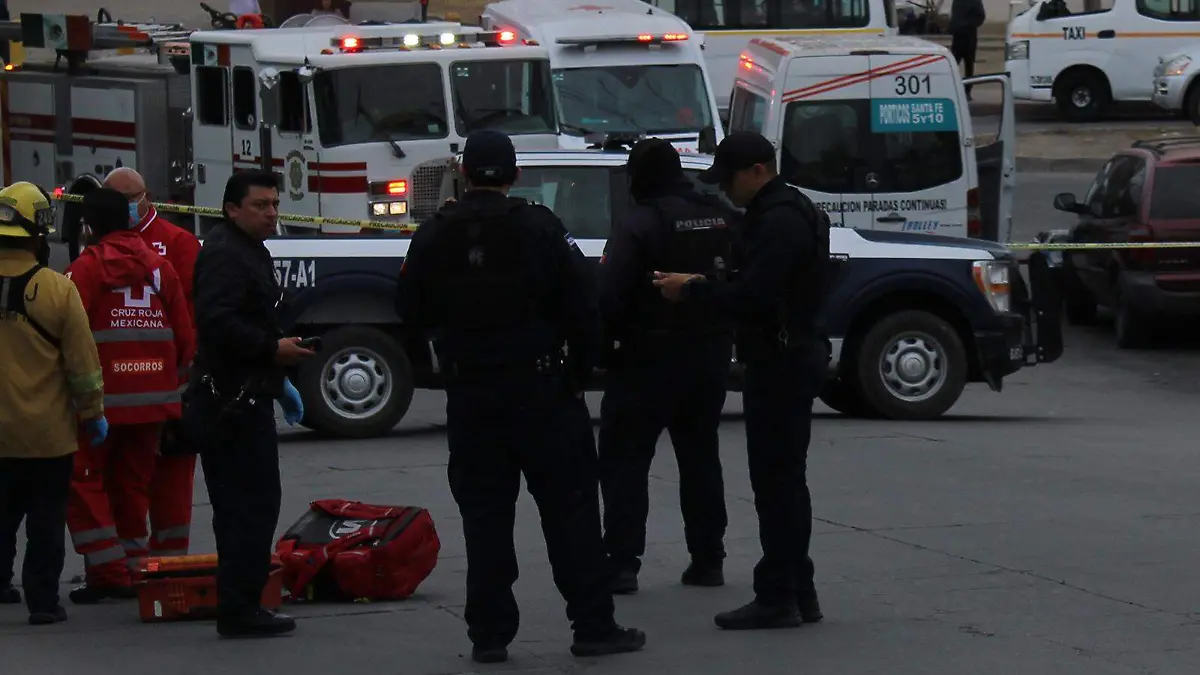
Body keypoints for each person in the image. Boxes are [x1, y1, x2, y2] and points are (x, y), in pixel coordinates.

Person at [395, 129, 645, 663]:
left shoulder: (435, 234)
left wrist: (446, 363)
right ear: (515, 175)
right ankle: (592, 625)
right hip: (542, 392)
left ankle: (489, 635)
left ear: (463, 174)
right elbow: (584, 305)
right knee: (571, 514)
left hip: (473, 395)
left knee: (485, 518)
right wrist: (578, 374)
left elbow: (409, 310)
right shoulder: (541, 227)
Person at [653, 132, 830, 631]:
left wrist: (693, 291)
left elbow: (754, 297)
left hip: (782, 359)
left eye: (730, 179)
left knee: (776, 482)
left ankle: (779, 595)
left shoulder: (779, 221)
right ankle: (798, 588)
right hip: (789, 353)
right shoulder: (788, 210)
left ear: (757, 170)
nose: (726, 191)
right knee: (784, 478)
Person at [596, 138, 736, 595]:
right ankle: (708, 558)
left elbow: (610, 294)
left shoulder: (639, 223)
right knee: (700, 458)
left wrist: (601, 349)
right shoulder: (719, 215)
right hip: (708, 355)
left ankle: (622, 564)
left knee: (626, 463)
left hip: (646, 359)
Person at [191, 170, 313, 638]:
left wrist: (277, 357)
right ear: (231, 209)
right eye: (261, 205)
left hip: (247, 393)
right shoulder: (226, 254)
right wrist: (270, 350)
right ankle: (240, 608)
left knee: (248, 504)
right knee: (249, 505)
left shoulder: (248, 250)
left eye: (275, 204)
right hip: (231, 403)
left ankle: (240, 602)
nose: (271, 213)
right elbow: (217, 323)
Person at [63, 188, 195, 603]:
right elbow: (185, 336)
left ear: (88, 226)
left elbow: (69, 335)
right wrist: (169, 386)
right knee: (132, 485)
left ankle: (109, 572)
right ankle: (134, 568)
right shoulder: (159, 266)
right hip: (153, 403)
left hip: (101, 404)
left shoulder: (85, 269)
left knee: (83, 481)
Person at [0, 181, 107, 625]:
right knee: (45, 520)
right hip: (47, 436)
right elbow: (83, 365)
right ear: (40, 230)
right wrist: (93, 413)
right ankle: (43, 602)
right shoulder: (58, 290)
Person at [105, 167, 202, 558]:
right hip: (119, 392)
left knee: (171, 484)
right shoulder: (98, 244)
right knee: (122, 484)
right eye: (118, 201)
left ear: (147, 197)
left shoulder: (177, 243)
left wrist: (184, 378)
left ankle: (169, 565)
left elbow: (193, 319)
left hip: (170, 388)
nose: (128, 208)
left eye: (132, 199)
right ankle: (127, 564)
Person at [949, 0, 986, 99]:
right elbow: (954, 15)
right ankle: (953, 88)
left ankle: (967, 91)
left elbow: (981, 16)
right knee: (953, 64)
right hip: (958, 36)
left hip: (969, 37)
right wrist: (953, 26)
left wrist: (968, 24)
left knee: (969, 65)